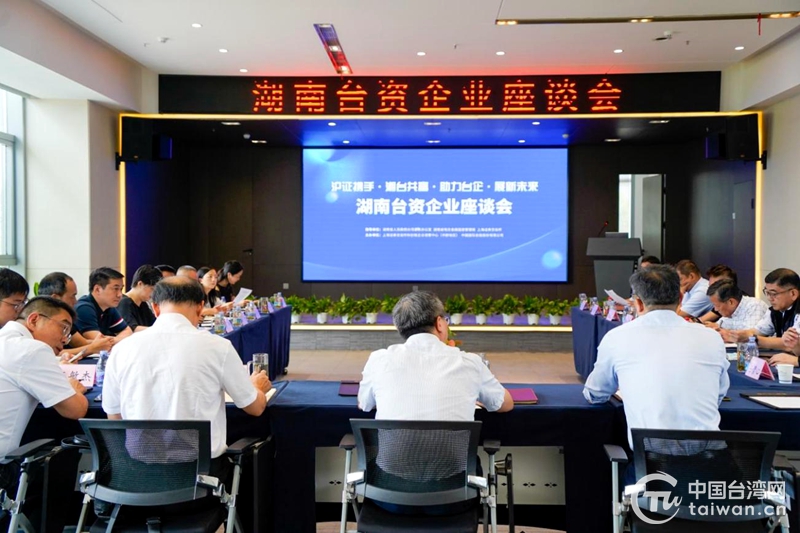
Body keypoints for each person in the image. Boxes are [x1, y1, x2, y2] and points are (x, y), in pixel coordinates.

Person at [102, 277, 271, 480]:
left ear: (155, 308)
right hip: (200, 478)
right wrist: (257, 387)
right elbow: (254, 408)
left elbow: (114, 417)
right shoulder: (217, 347)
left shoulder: (122, 349)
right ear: (200, 307)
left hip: (138, 478)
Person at [584, 265, 729, 450]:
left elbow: (596, 393)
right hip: (713, 459)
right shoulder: (711, 338)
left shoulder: (617, 337)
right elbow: (719, 393)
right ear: (680, 299)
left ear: (638, 303)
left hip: (651, 461)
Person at [359, 290, 513, 420]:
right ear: (439, 323)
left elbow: (364, 404)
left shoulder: (379, 360)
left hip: (392, 449)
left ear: (399, 327)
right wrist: (475, 395)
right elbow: (505, 404)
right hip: (453, 449)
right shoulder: (469, 362)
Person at [0, 297, 88, 494]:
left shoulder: (7, 340)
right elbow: (75, 410)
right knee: (61, 458)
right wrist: (74, 389)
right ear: (34, 320)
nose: (65, 339)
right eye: (63, 328)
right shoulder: (32, 350)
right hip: (3, 469)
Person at [723, 268, 800, 358]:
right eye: (767, 293)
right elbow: (758, 331)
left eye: (773, 294)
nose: (769, 298)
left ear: (793, 294)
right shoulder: (774, 311)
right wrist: (736, 335)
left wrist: (754, 339)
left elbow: (791, 343)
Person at [38, 272, 112, 360]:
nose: (75, 301)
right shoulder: (42, 320)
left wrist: (104, 343)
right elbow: (51, 352)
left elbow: (81, 343)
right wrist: (92, 348)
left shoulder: (65, 319)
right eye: (73, 296)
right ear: (55, 298)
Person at [74, 267, 133, 342]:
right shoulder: (83, 308)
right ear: (97, 289)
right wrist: (117, 340)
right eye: (115, 289)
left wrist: (113, 340)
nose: (120, 295)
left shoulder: (109, 308)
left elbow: (128, 332)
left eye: (121, 289)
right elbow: (98, 342)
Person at [117, 265, 162, 332]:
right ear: (140, 284)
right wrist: (157, 330)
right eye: (152, 289)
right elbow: (131, 329)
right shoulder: (124, 302)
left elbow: (155, 323)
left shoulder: (143, 304)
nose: (154, 294)